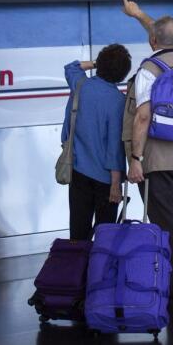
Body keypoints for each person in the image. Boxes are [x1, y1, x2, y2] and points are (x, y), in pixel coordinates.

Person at [120, 0, 173, 309]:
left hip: (156, 161)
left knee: (168, 225)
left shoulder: (148, 71)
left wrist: (135, 160)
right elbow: (161, 34)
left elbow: (142, 117)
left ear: (153, 40)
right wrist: (139, 14)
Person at [62, 44, 132, 241]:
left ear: (99, 65)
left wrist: (97, 63)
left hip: (77, 171)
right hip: (105, 179)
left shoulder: (80, 85)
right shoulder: (118, 101)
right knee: (105, 236)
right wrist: (116, 184)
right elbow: (114, 148)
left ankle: (77, 271)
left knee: (78, 231)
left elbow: (71, 67)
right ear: (122, 74)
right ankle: (99, 271)